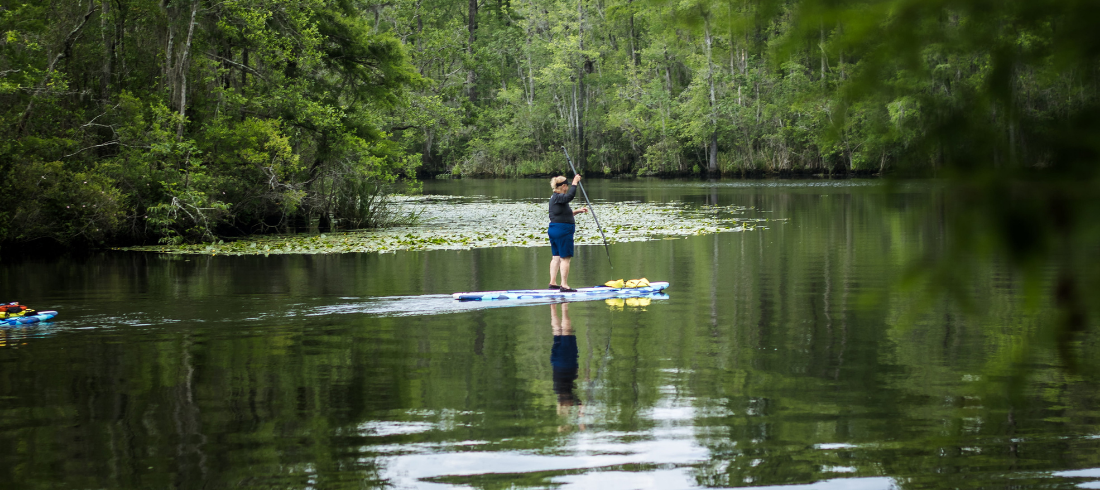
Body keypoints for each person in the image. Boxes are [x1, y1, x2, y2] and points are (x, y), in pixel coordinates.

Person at [548, 174, 588, 292]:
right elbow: (570, 196)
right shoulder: (559, 197)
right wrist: (575, 182)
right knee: (565, 258)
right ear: (564, 186)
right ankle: (564, 285)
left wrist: (578, 211)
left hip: (554, 229)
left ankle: (553, 283)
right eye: (567, 186)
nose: (568, 188)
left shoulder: (555, 198)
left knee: (556, 257)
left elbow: (563, 215)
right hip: (562, 230)